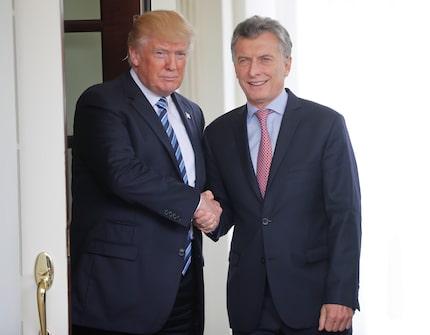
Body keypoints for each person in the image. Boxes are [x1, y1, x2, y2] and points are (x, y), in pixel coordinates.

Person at [197, 15, 361, 335]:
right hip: (250, 303)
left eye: (264, 59)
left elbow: (346, 216)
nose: (253, 70)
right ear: (234, 66)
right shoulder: (217, 133)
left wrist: (341, 295)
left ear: (287, 64)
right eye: (243, 60)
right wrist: (207, 214)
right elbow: (225, 211)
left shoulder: (325, 125)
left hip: (317, 302)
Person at [70, 10, 221, 335]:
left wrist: (212, 206)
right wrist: (196, 204)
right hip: (120, 293)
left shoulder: (192, 112)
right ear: (135, 55)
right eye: (161, 53)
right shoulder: (101, 103)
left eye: (180, 54)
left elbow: (197, 182)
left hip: (184, 288)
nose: (173, 64)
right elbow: (122, 174)